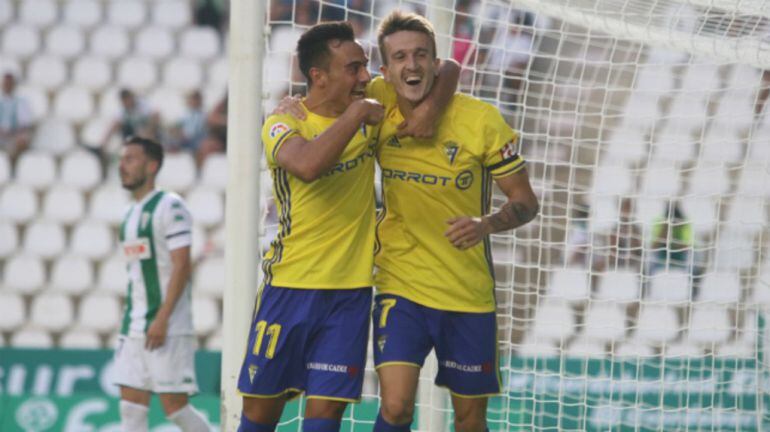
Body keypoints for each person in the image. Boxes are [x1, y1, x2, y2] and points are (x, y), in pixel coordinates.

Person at [238, 20, 459, 432]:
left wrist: (429, 111)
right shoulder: (284, 124)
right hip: (290, 287)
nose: (365, 76)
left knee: (325, 417)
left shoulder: (371, 96)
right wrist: (357, 114)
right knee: (259, 416)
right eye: (353, 68)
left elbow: (447, 69)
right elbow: (307, 166)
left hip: (349, 294)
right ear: (319, 76)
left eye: (365, 66)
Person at [369, 11, 539, 432]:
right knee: (395, 406)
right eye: (400, 57)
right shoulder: (377, 101)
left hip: (466, 293)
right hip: (399, 282)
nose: (411, 65)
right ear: (385, 71)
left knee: (469, 419)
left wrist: (486, 224)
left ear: (435, 60)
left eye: (420, 55)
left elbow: (526, 202)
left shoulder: (481, 121)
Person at [113, 136, 209, 432]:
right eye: (121, 159)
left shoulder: (170, 206)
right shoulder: (128, 214)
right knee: (130, 408)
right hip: (133, 325)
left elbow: (182, 265)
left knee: (175, 408)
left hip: (167, 325)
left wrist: (162, 318)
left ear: (152, 165)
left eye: (130, 159)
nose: (122, 166)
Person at [0, 72, 34, 164]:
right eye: (5, 83)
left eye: (9, 83)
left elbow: (25, 125)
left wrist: (11, 133)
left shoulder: (21, 102)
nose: (7, 86)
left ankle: (13, 164)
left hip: (14, 136)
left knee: (21, 140)